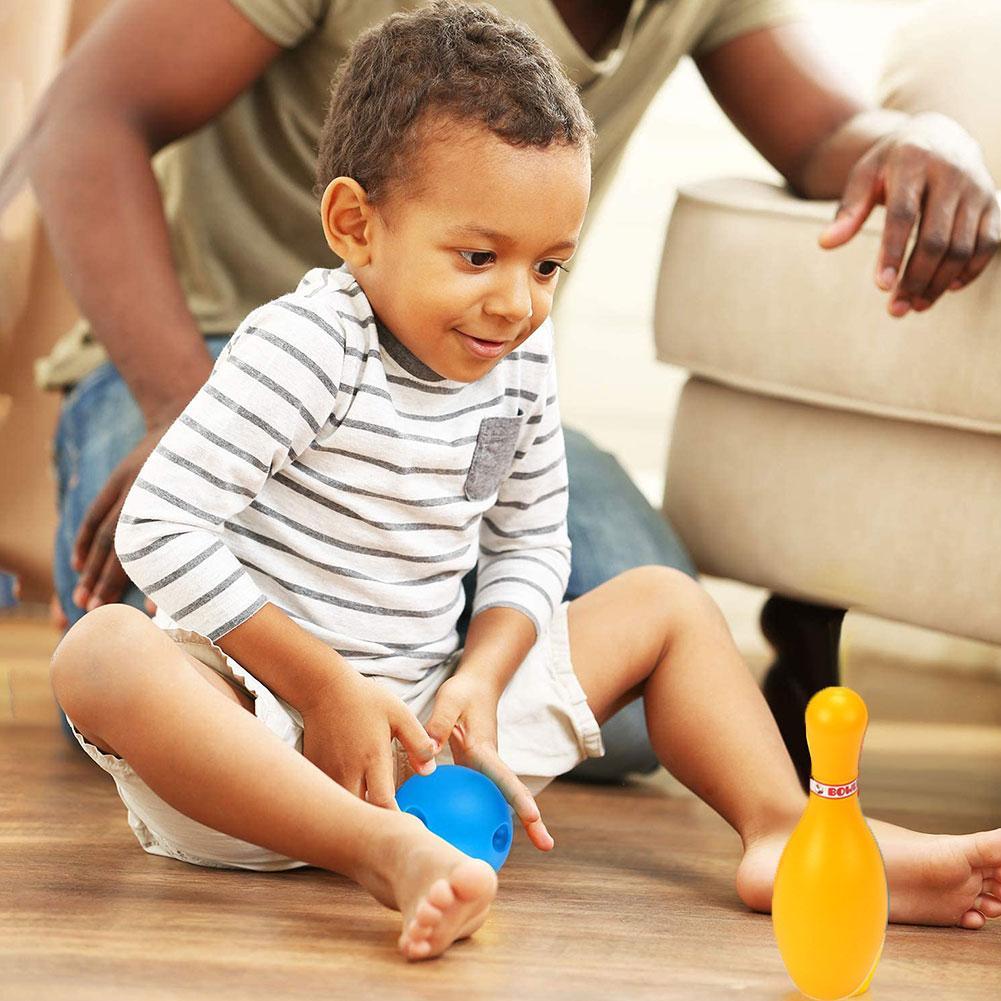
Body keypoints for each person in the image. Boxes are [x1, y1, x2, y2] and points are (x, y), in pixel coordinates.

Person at [48, 4, 1001, 962]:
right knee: (105, 653)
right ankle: (378, 850)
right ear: (354, 224)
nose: (516, 301)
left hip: (429, 731)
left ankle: (781, 829)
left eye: (548, 264)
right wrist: (326, 691)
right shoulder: (302, 347)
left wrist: (482, 676)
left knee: (664, 604)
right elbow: (163, 525)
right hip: (271, 732)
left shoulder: (514, 361)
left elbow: (530, 539)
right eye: (477, 256)